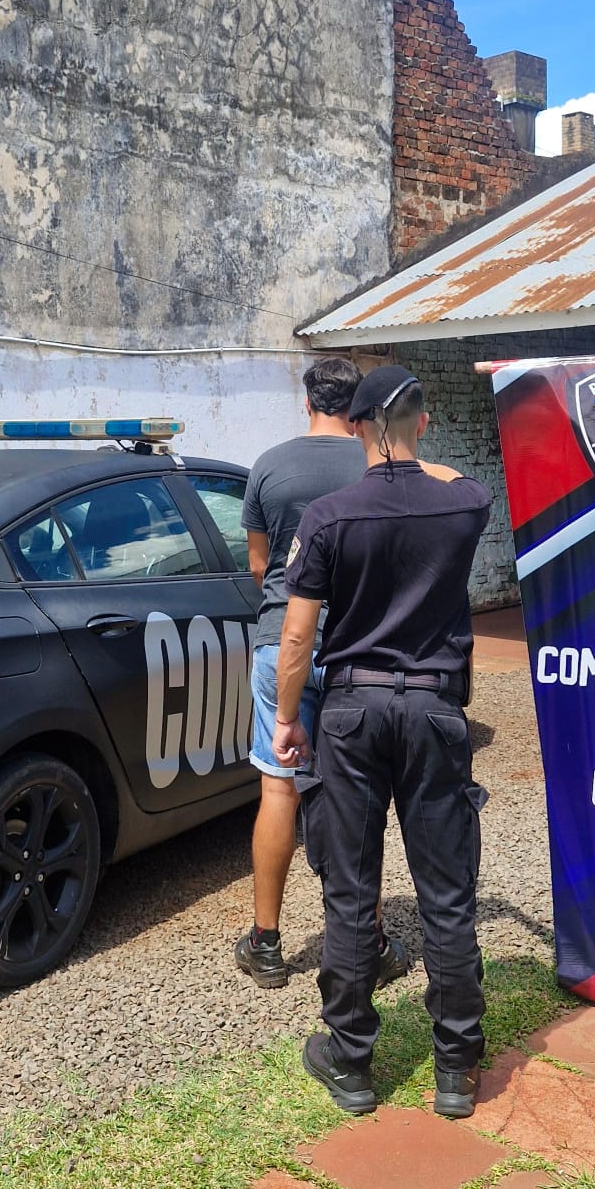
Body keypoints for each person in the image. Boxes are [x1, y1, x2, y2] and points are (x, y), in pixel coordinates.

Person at [273, 365, 491, 1119]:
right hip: (434, 712)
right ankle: (457, 1068)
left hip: (353, 712)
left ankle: (351, 1061)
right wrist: (405, 446)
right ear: (424, 424)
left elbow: (298, 635)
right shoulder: (463, 503)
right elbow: (449, 474)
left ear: (357, 427)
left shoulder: (330, 516)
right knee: (447, 895)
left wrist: (286, 717)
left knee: (349, 891)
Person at [234, 357, 410, 991]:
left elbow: (260, 567)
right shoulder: (374, 461)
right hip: (358, 648)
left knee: (279, 787)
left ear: (305, 399)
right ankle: (372, 937)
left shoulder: (270, 466)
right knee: (355, 794)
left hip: (282, 641)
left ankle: (267, 942)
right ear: (358, 405)